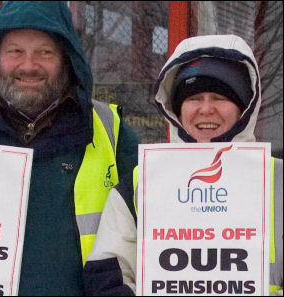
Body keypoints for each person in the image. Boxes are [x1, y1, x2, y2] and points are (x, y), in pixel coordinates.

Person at [0, 2, 139, 296]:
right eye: (15, 52)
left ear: (67, 59)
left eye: (44, 52)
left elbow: (166, 217)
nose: (28, 66)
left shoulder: (109, 131)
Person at [83, 35, 283, 296]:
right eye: (194, 97)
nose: (206, 109)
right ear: (176, 110)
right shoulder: (140, 184)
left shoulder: (278, 180)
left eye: (220, 97)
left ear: (244, 108)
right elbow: (107, 277)